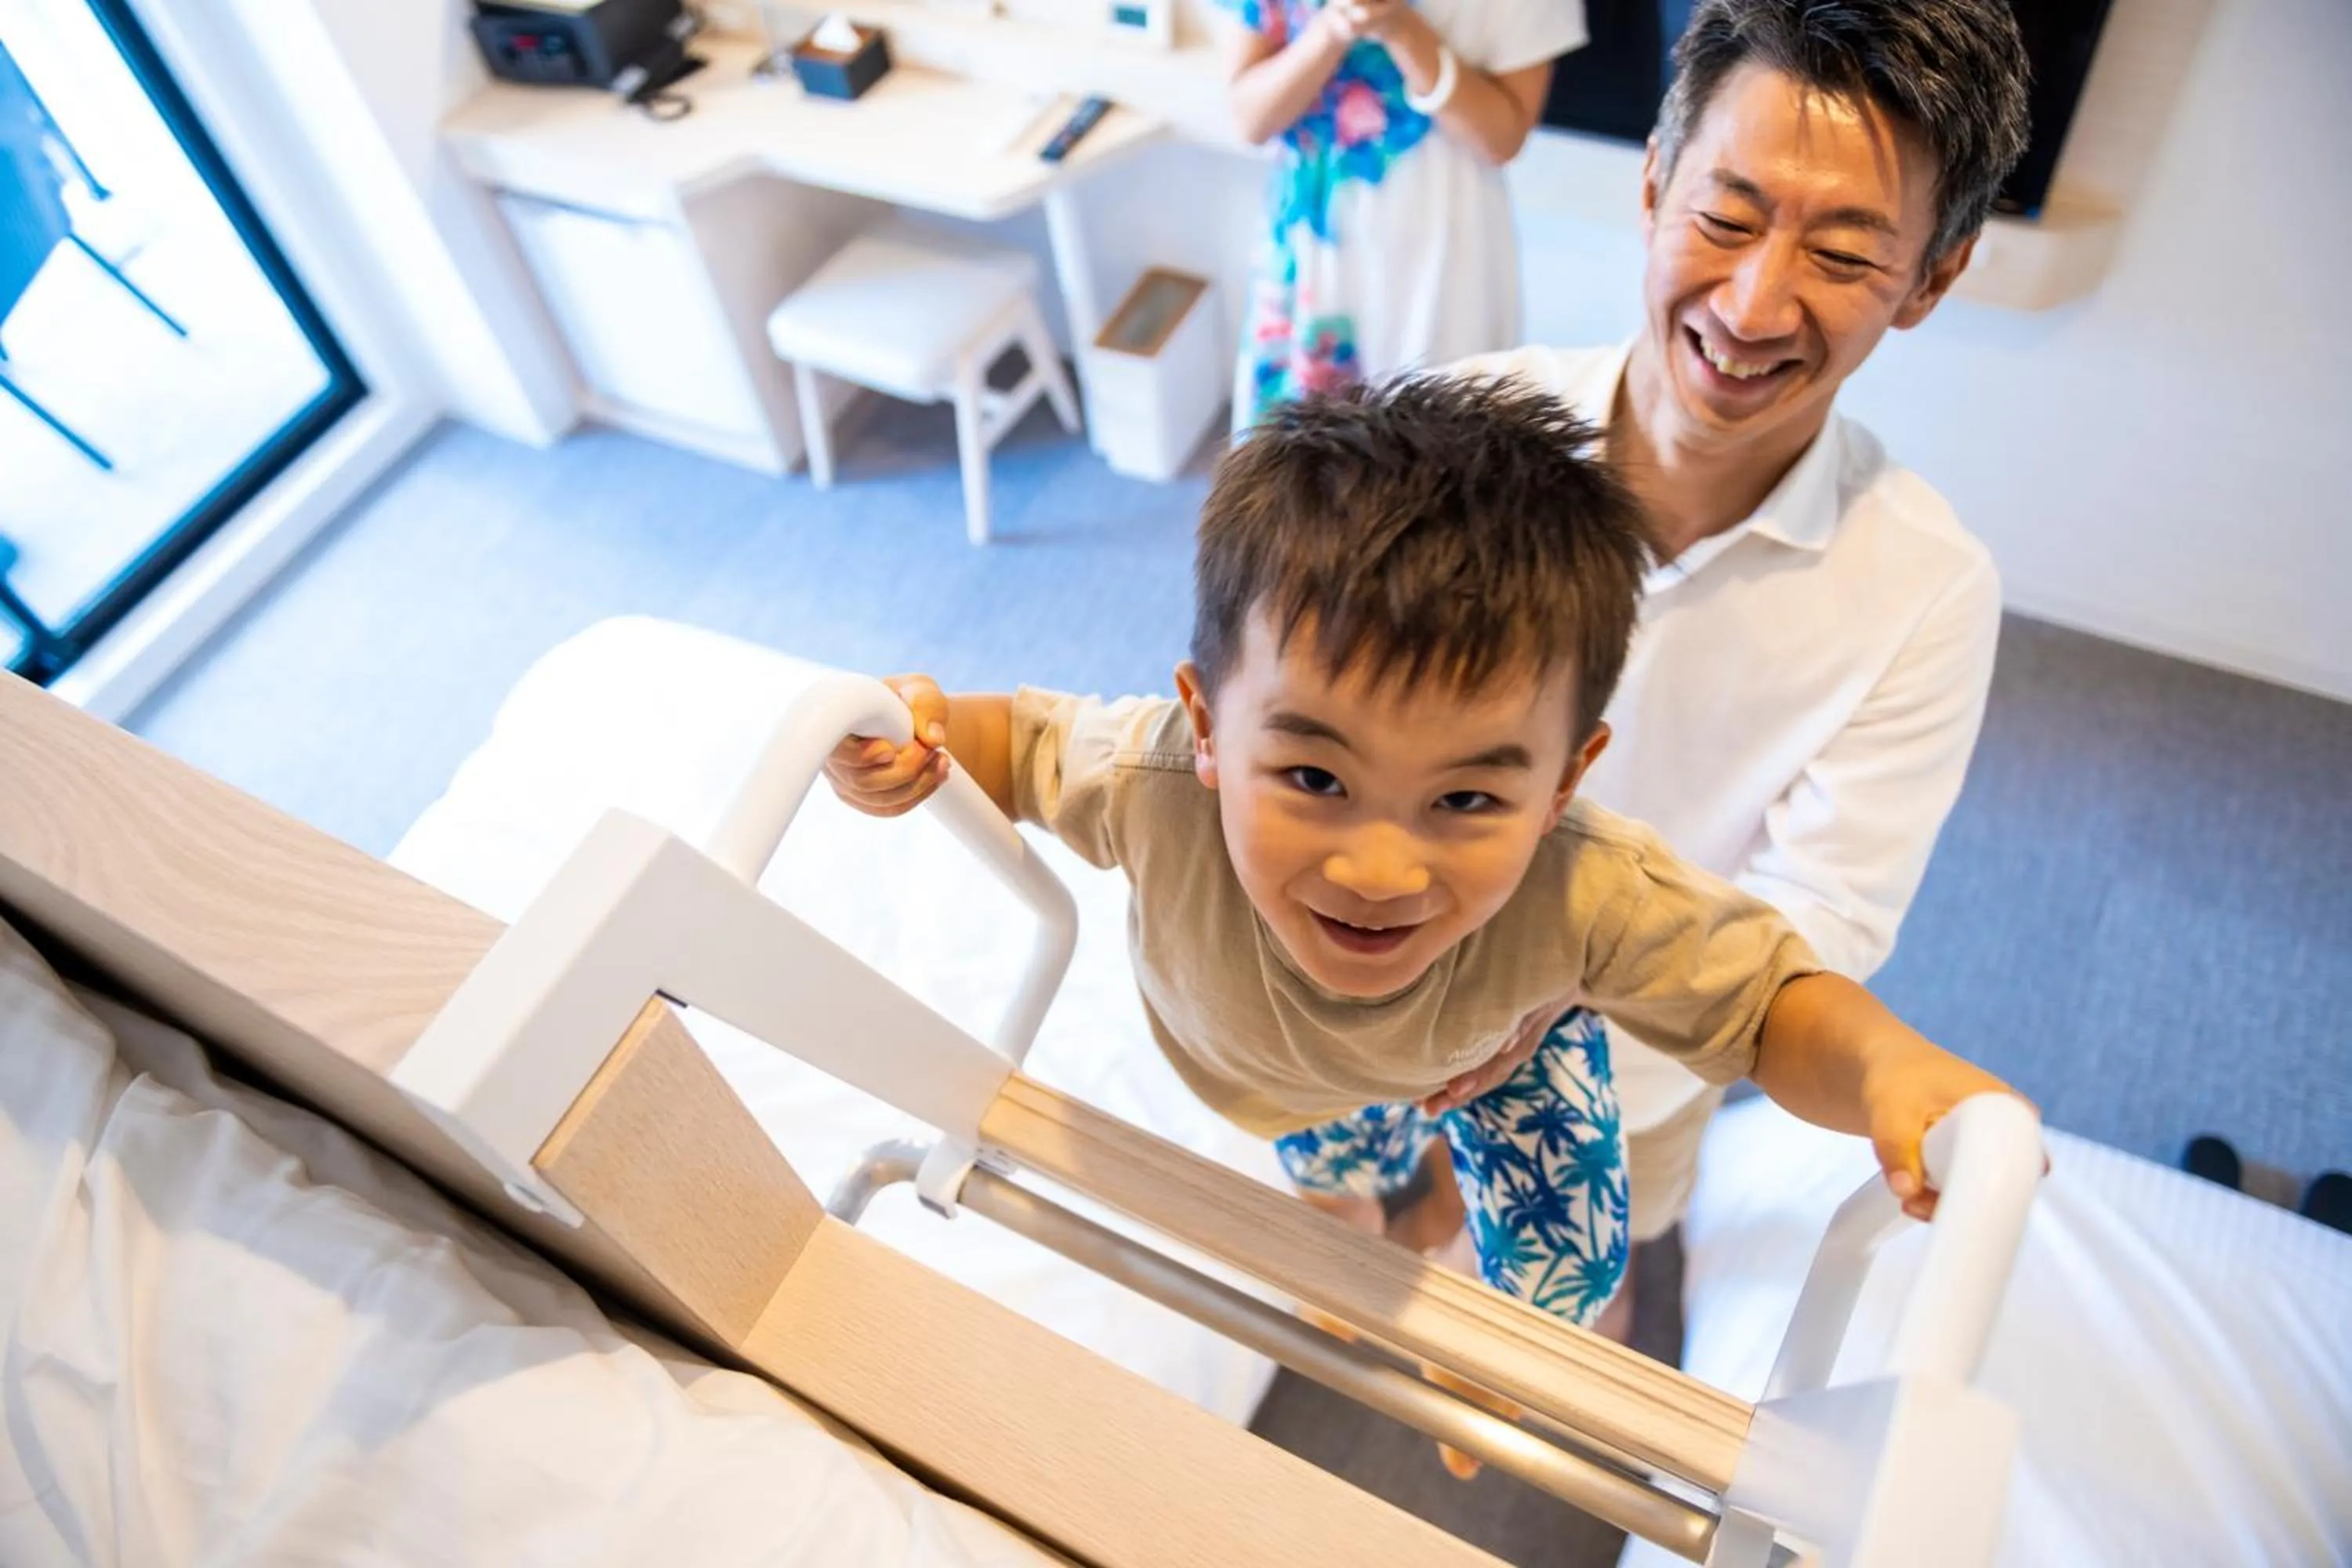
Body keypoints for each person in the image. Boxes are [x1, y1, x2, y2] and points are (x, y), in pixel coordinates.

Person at [824, 376, 2026, 1472]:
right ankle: (1361, 1212)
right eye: (1313, 779)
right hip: (1276, 1068)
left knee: (1569, 1257)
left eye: (1466, 800)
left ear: (1564, 785)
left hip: (1501, 1057)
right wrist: (916, 734)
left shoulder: (1587, 887)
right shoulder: (1148, 780)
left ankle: (1502, 1346)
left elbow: (1766, 1005)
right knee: (1331, 1152)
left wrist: (1885, 1071)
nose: (1382, 871)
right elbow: (1016, 742)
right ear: (1205, 723)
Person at [1391, 0, 2034, 1300]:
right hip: (1378, 962)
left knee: (1577, 1316)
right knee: (1369, 1224)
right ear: (1651, 184)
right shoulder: (1455, 434)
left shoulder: (1926, 592)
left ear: (1934, 279)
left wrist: (1558, 1024)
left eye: (1846, 256)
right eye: (1727, 220)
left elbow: (1822, 921)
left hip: (1642, 1069)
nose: (1751, 305)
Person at [1214, 0, 1584, 429]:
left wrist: (1403, 30)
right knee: (1300, 465)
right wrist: (1332, 29)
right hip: (1314, 252)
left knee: (1442, 449)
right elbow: (1249, 119)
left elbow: (1501, 138)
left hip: (1446, 248)